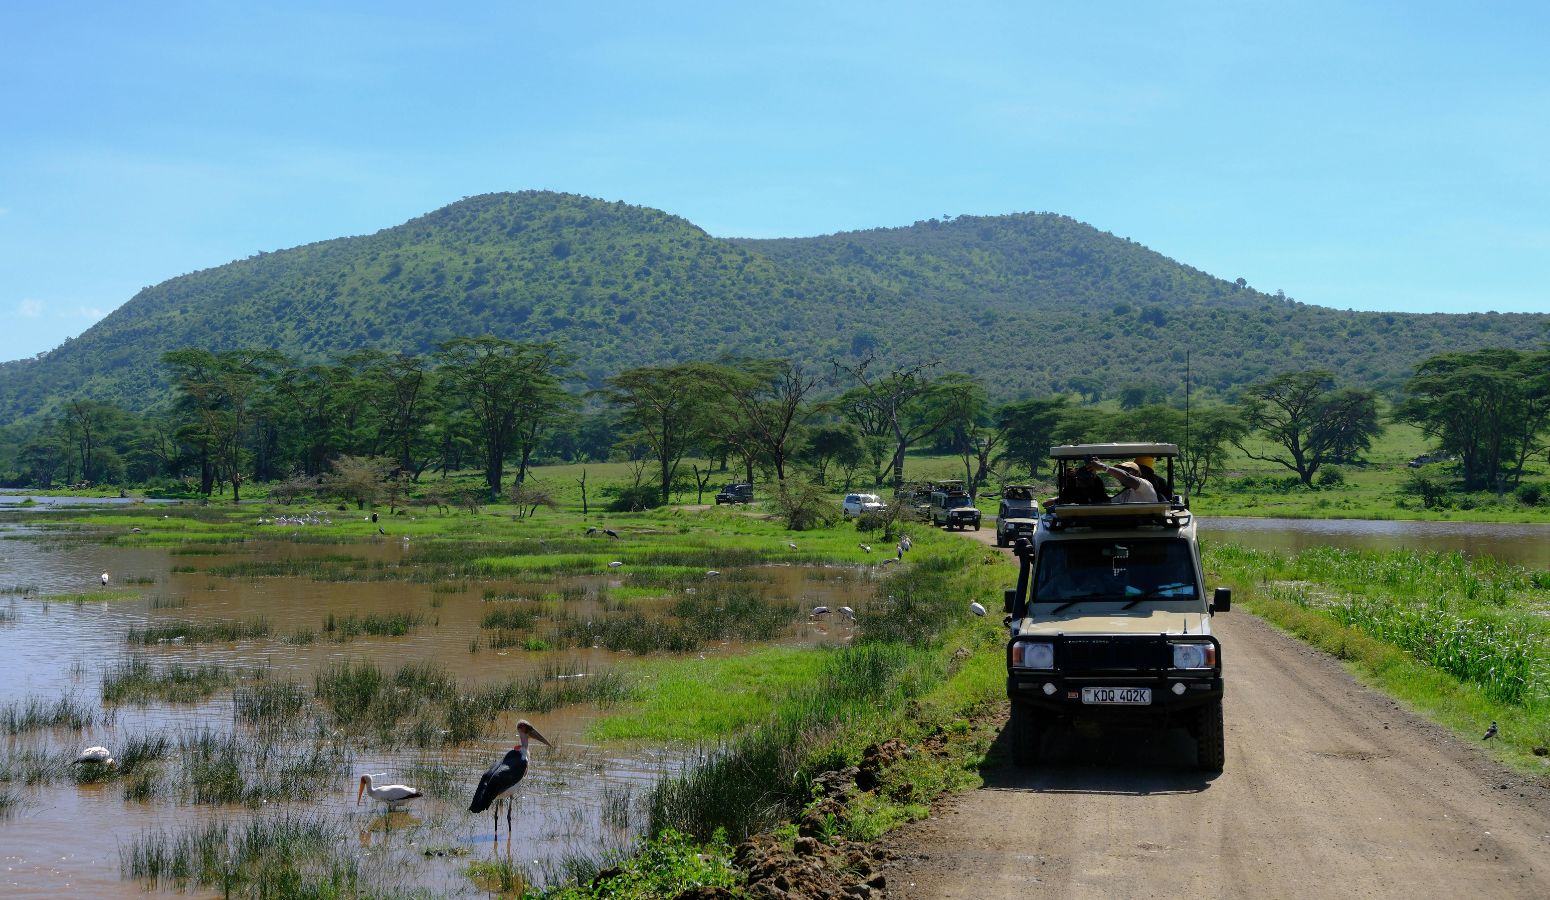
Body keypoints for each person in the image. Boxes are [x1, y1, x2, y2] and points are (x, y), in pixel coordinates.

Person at [1088, 459, 1158, 504]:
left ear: (1137, 473)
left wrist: (1103, 467)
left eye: (1127, 471)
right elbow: (1108, 504)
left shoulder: (1145, 485)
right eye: (1121, 470)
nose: (1123, 472)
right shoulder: (1126, 492)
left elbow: (1127, 478)